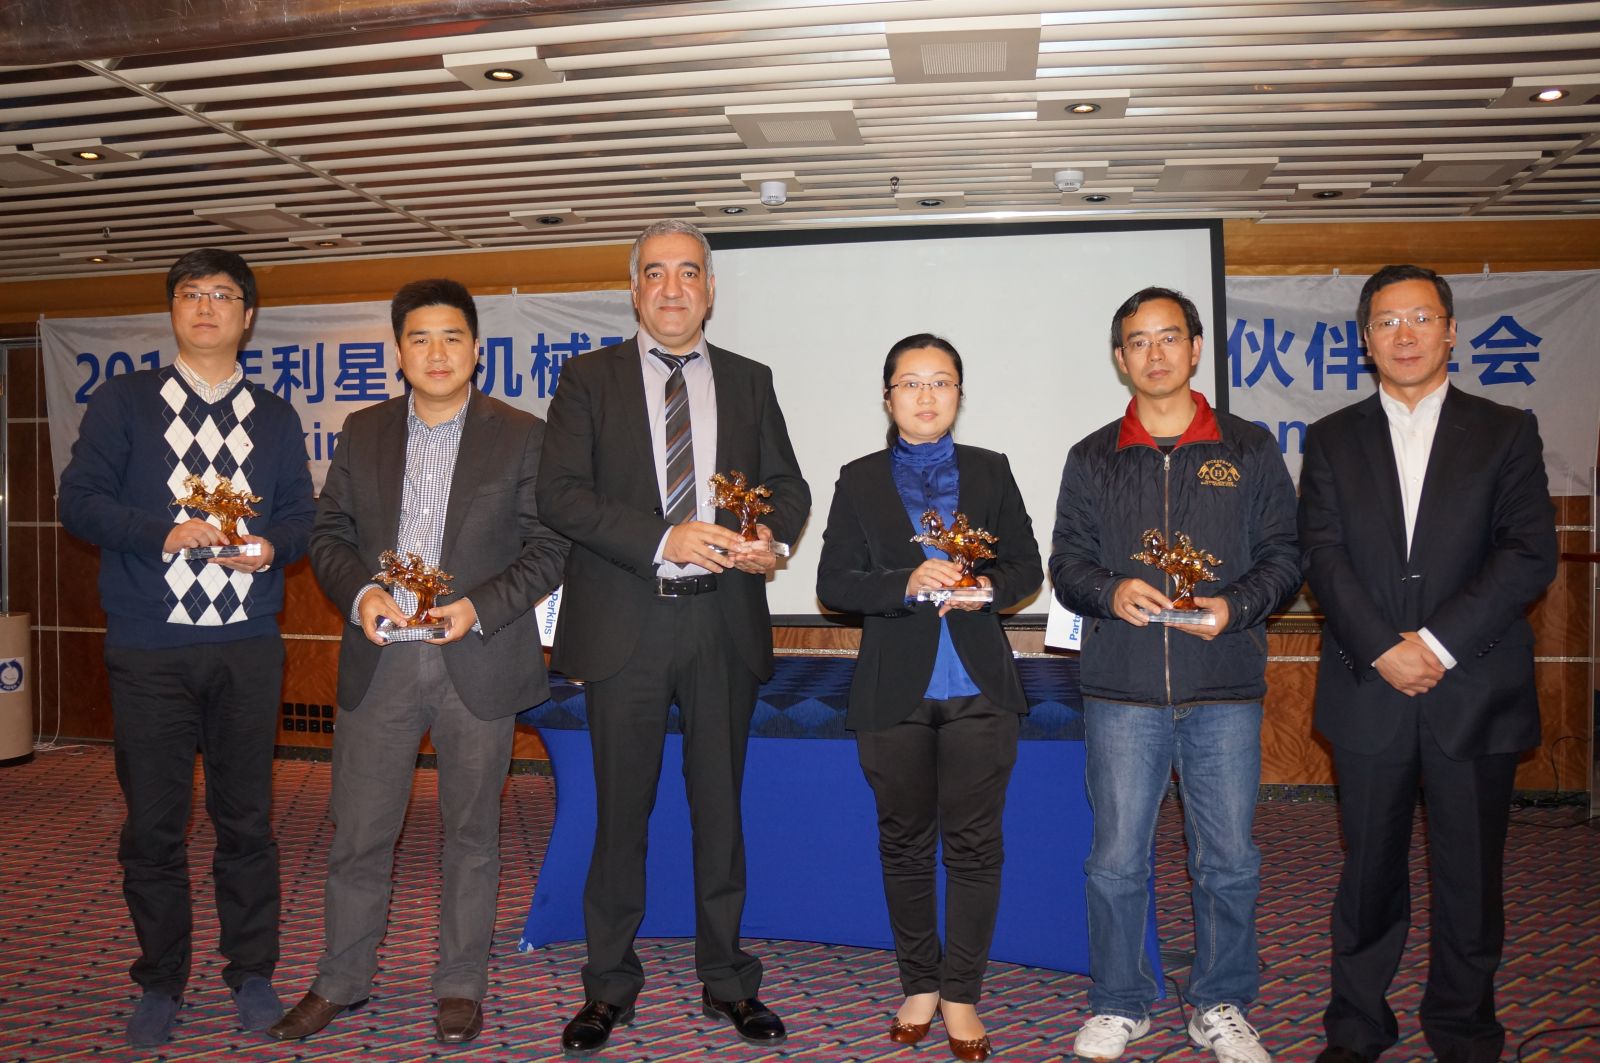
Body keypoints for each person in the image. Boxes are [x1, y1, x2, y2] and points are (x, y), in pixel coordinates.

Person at [270, 279, 568, 1045]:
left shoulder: (523, 434)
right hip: (382, 662)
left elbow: (550, 546)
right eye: (420, 338)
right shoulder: (363, 429)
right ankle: (341, 977)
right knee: (359, 833)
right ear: (399, 352)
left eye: (452, 337)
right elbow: (329, 533)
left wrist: (479, 605)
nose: (437, 353)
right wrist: (362, 592)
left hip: (479, 657)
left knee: (472, 835)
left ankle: (461, 983)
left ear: (477, 349)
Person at [537, 219, 810, 1054]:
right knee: (620, 816)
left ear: (710, 289)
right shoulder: (587, 378)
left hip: (722, 621)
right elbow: (561, 494)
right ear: (634, 288)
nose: (672, 288)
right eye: (655, 272)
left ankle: (728, 980)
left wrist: (770, 539)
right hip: (627, 622)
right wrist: (666, 536)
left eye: (688, 272)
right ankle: (607, 987)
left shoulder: (751, 379)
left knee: (719, 813)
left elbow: (787, 485)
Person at [1299, 265, 1557, 1063]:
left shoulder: (1506, 430)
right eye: (1386, 321)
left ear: (1450, 330)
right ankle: (1356, 1027)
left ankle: (1464, 1029)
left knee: (1470, 878)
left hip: (1472, 685)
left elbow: (1527, 553)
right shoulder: (1332, 437)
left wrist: (1435, 644)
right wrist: (1385, 646)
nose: (1404, 334)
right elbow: (1322, 556)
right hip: (1368, 684)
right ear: (1365, 339)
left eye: (1420, 317)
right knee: (1367, 873)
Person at [57, 248, 315, 1047]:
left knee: (247, 821)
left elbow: (301, 517)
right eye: (191, 293)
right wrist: (162, 532)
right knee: (154, 827)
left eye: (223, 294)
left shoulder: (274, 415)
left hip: (246, 645)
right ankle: (161, 979)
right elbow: (78, 501)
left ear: (248, 316)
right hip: (149, 648)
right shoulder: (125, 401)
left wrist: (271, 548)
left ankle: (252, 972)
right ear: (172, 310)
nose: (206, 306)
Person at [1049, 287, 1300, 1063]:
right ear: (1120, 358)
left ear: (1195, 348)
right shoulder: (1093, 456)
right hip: (1122, 691)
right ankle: (1119, 1001)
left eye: (1169, 337)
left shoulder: (1249, 448)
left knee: (1228, 859)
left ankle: (1220, 1001)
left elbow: (1285, 556)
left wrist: (1236, 605)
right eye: (1138, 341)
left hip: (1223, 685)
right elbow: (1066, 563)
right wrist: (1109, 590)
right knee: (1115, 858)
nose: (1154, 353)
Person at [816, 334, 1041, 1063]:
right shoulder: (858, 479)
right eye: (910, 383)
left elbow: (1026, 567)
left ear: (959, 395)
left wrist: (987, 588)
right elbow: (834, 583)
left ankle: (961, 992)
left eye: (941, 381)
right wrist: (905, 582)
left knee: (975, 845)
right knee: (905, 843)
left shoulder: (990, 469)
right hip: (894, 690)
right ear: (888, 398)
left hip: (979, 686)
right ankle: (919, 983)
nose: (925, 395)